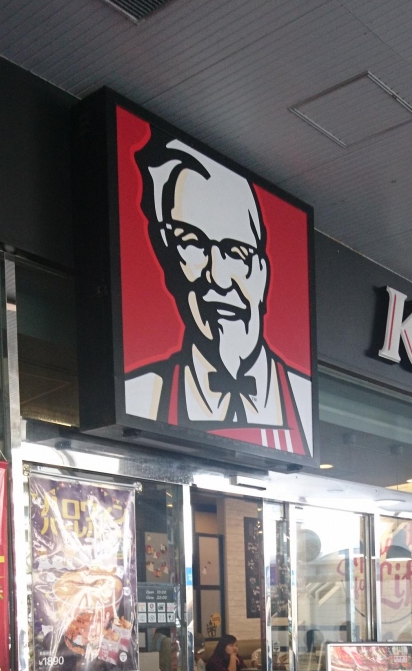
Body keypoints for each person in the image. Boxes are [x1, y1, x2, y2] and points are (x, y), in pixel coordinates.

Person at [125, 135, 312, 456]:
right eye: (192, 243)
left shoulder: (302, 397)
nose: (219, 277)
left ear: (263, 272)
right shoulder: (141, 395)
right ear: (169, 263)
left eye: (236, 251)